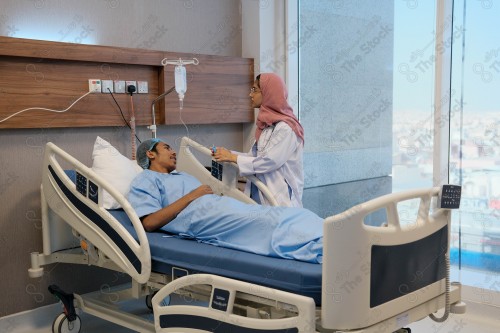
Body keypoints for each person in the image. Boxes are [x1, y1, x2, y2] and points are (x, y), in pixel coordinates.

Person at [127, 138, 323, 264]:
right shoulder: (145, 179)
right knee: (270, 223)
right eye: (167, 148)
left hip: (221, 208)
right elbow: (149, 223)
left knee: (280, 215)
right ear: (150, 154)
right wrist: (192, 196)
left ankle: (324, 233)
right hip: (203, 219)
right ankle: (323, 246)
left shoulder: (182, 175)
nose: (174, 152)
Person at [212, 73, 304, 207]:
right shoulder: (267, 127)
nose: (250, 95)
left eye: (254, 90)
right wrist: (226, 154)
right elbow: (254, 157)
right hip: (262, 197)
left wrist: (232, 157)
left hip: (281, 200)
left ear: (268, 93)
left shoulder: (287, 128)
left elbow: (270, 161)